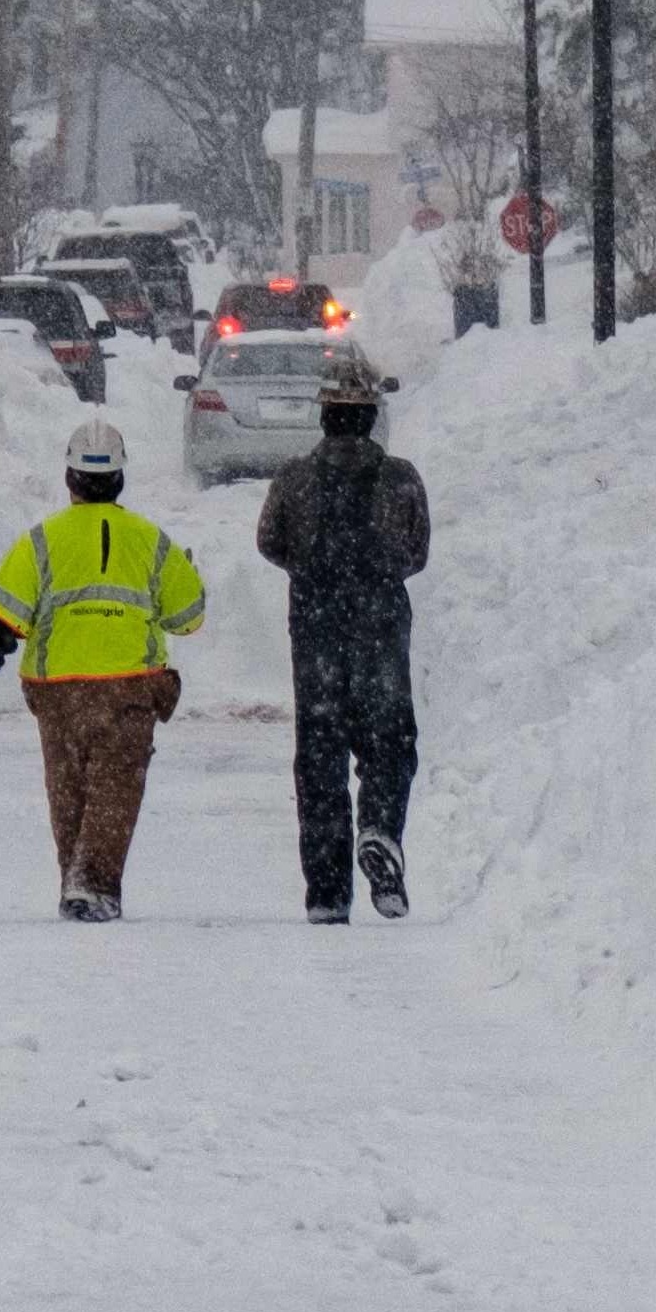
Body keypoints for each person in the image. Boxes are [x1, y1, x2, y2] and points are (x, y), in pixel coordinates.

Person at [0, 413, 212, 921]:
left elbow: (0, 620)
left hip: (58, 693)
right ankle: (91, 885)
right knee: (115, 790)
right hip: (129, 689)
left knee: (68, 791)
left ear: (69, 477)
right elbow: (189, 620)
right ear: (120, 477)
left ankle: (76, 883)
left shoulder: (40, 541)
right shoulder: (152, 541)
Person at [253, 345, 432, 922]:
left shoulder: (294, 479)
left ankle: (327, 892)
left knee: (320, 758)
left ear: (324, 414)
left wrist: (314, 570)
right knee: (389, 744)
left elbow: (269, 542)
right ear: (370, 415)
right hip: (381, 630)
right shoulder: (401, 479)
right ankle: (379, 828)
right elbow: (416, 552)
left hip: (316, 631)